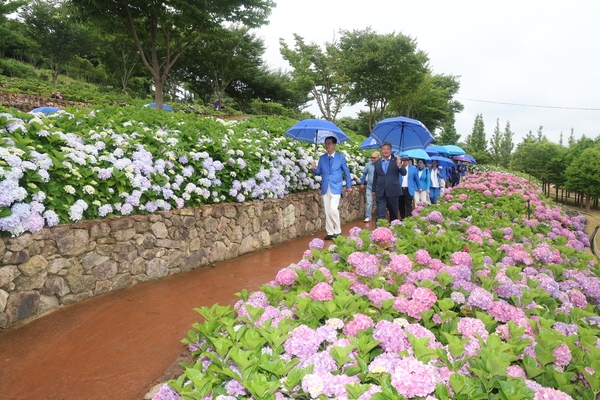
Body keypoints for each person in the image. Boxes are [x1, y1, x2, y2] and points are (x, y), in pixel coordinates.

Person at [311, 136, 353, 240]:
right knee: (327, 210)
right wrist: (314, 169)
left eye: (329, 143)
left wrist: (349, 186)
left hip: (336, 186)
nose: (327, 145)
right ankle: (330, 232)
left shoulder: (340, 157)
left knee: (333, 209)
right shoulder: (322, 158)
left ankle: (337, 231)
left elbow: (346, 172)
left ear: (334, 144)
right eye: (326, 143)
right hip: (325, 187)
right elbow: (319, 171)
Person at [371, 143, 406, 222]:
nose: (385, 151)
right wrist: (373, 190)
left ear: (391, 150)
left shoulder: (396, 160)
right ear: (381, 151)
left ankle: (393, 231)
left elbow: (404, 173)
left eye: (388, 149)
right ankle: (379, 232)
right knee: (380, 214)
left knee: (393, 214)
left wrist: (399, 165)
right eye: (384, 149)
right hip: (380, 191)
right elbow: (375, 177)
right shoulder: (377, 162)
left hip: (393, 191)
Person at [360, 151, 380, 222]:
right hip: (370, 187)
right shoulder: (368, 165)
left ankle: (380, 216)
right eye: (371, 158)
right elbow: (364, 174)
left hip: (379, 187)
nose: (372, 159)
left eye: (374, 158)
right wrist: (362, 183)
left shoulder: (381, 165)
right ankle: (368, 216)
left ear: (378, 158)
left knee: (379, 203)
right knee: (369, 202)